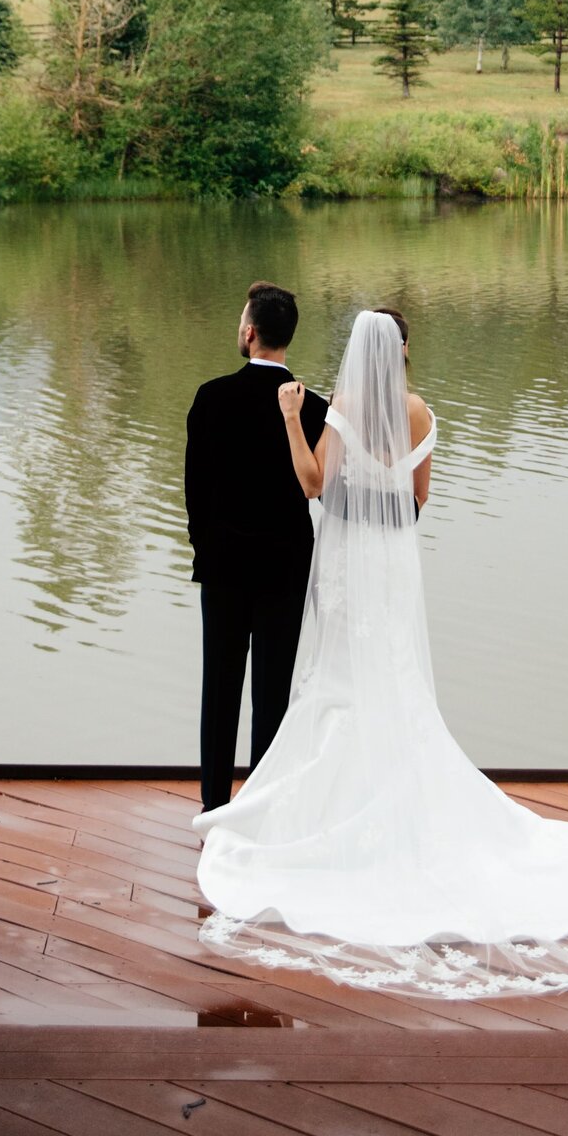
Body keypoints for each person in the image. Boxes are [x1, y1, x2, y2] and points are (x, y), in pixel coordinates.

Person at [192, 308, 568, 999]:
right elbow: (417, 500)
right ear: (405, 351)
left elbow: (316, 484)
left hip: (349, 562)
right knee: (394, 681)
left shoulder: (341, 406)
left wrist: (294, 418)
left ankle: (313, 811)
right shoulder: (422, 413)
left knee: (339, 680)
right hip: (393, 569)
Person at [185, 281, 328, 814]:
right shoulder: (313, 407)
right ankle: (261, 810)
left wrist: (207, 552)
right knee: (272, 692)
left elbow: (194, 492)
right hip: (284, 568)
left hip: (223, 568)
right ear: (286, 337)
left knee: (219, 690)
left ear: (249, 333)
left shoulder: (211, 396)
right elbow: (318, 487)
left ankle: (214, 809)